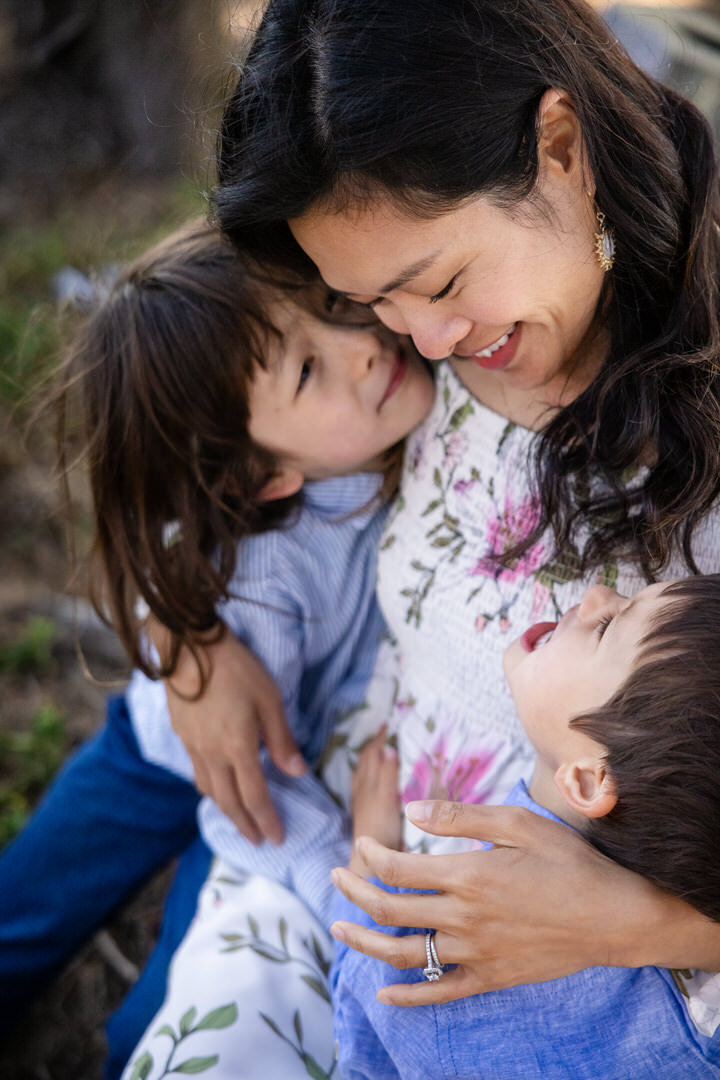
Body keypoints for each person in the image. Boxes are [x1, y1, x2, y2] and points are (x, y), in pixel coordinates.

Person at [204, 0, 720, 1024]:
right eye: (371, 303)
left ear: (561, 149)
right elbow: (179, 441)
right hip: (354, 899)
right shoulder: (418, 358)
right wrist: (191, 642)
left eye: (439, 282)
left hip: (616, 996)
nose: (422, 344)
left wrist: (638, 924)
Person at [0, 218, 434, 1077]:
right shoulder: (265, 574)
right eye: (308, 368)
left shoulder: (384, 423)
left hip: (281, 757)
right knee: (24, 914)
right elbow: (253, 798)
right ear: (263, 478)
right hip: (193, 760)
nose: (361, 343)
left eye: (334, 307)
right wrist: (334, 875)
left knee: (157, 1018)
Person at [331, 575, 720, 1078]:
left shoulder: (454, 931)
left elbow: (363, 1025)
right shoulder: (696, 1024)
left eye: (607, 627)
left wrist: (367, 863)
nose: (599, 592)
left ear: (586, 780)